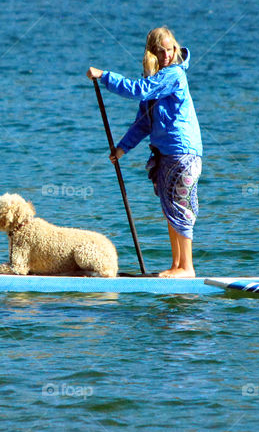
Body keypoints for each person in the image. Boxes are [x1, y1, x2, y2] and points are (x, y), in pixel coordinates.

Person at [87, 27, 203, 278]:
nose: (166, 55)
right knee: (169, 208)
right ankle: (176, 265)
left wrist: (104, 76)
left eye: (170, 49)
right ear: (151, 52)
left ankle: (187, 268)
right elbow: (143, 123)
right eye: (160, 51)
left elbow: (138, 89)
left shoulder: (174, 75)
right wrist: (121, 149)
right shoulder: (156, 81)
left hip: (182, 151)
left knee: (180, 206)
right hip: (165, 154)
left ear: (175, 49)